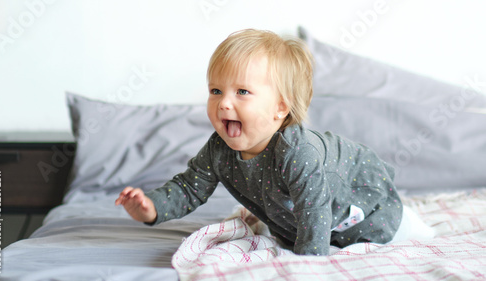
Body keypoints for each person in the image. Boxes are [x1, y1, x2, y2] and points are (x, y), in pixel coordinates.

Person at [115, 29, 410, 256]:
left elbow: (314, 210)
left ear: (280, 108)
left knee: (377, 234)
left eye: (242, 91)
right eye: (216, 90)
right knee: (310, 231)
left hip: (365, 200)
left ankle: (409, 219)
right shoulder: (219, 149)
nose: (223, 103)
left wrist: (306, 266)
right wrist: (150, 207)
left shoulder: (296, 152)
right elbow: (189, 188)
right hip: (316, 220)